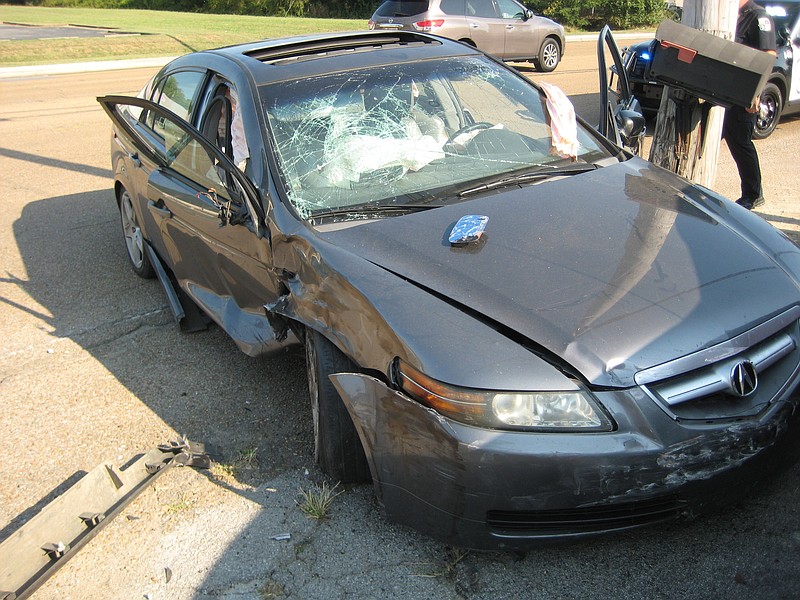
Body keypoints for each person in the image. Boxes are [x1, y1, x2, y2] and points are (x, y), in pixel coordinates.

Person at [722, 0, 777, 210]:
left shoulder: (758, 17)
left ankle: (753, 194)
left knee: (740, 141)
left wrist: (755, 92)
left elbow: (768, 57)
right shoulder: (727, 15)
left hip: (745, 92)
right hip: (723, 89)